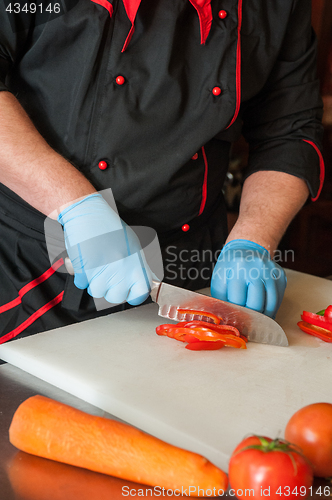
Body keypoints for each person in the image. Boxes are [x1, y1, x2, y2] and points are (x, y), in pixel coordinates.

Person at [0, 0, 324, 343]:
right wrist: (80, 210)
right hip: (34, 266)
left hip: (189, 273)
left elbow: (290, 131)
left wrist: (253, 241)